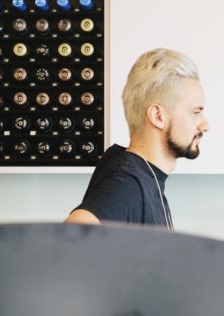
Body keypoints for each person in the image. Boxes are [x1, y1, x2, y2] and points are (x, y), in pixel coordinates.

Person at [65, 48, 209, 228]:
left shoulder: (144, 176)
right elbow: (68, 235)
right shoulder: (127, 184)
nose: (205, 125)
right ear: (158, 116)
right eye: (196, 112)